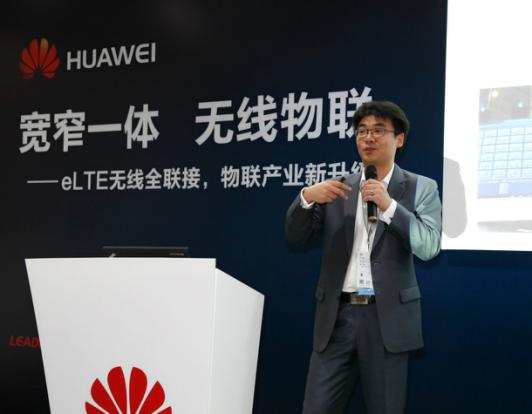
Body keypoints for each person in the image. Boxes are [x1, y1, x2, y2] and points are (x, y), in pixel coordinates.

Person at [285, 101, 442, 414]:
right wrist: (306, 197)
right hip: (337, 317)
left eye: (378, 131)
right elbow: (296, 236)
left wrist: (389, 206)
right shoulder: (338, 188)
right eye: (362, 131)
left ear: (399, 139)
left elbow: (429, 246)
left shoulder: (420, 187)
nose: (368, 138)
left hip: (386, 321)